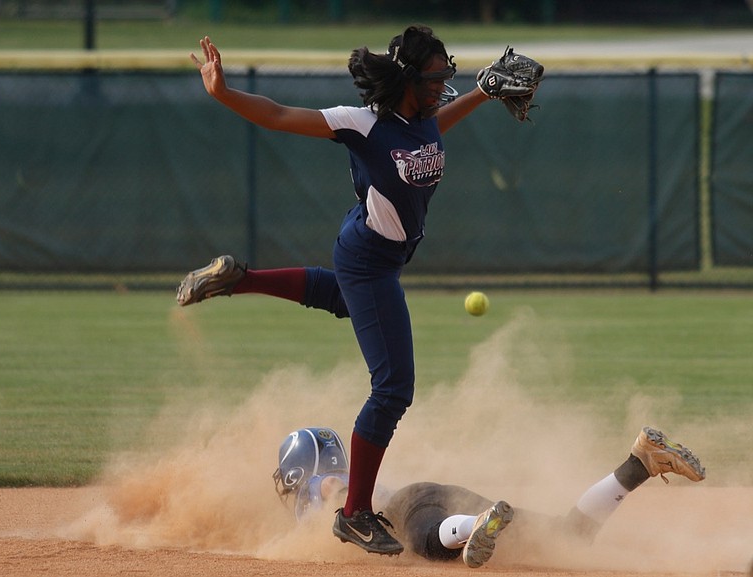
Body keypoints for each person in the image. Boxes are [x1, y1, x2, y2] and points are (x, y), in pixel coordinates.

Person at [181, 25, 540, 556]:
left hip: (376, 256)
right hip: (369, 259)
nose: (445, 82)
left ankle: (241, 278)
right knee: (393, 388)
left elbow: (436, 125)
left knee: (343, 301)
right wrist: (225, 94)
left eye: (448, 73)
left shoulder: (423, 120)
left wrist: (482, 92)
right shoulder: (365, 124)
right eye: (437, 74)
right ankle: (353, 514)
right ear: (410, 79)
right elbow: (280, 116)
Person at [272, 426, 705, 566]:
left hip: (409, 506)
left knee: (421, 541)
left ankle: (470, 528)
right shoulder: (345, 473)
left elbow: (335, 487)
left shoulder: (322, 483)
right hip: (439, 494)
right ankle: (640, 463)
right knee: (567, 536)